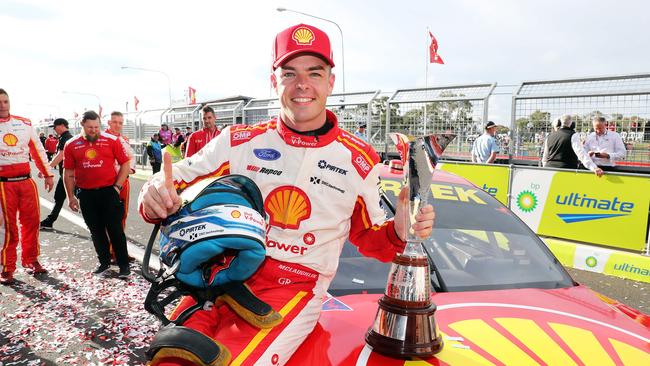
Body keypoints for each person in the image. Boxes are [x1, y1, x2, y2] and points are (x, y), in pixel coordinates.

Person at [138, 23, 435, 365]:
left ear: (330, 82)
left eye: (314, 72)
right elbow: (171, 182)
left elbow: (371, 240)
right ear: (273, 80)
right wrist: (153, 193)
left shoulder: (358, 159)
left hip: (294, 286)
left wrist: (400, 228)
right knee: (172, 358)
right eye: (289, 73)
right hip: (218, 271)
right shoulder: (238, 140)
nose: (302, 84)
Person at [63, 111, 131, 278]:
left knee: (115, 230)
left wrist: (117, 187)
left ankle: (124, 265)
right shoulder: (71, 144)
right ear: (82, 125)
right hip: (86, 194)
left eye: (96, 127)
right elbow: (68, 172)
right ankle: (104, 262)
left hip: (109, 192)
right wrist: (70, 196)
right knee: (96, 231)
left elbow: (126, 163)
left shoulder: (111, 140)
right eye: (90, 127)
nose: (94, 130)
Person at [0, 88, 54, 284]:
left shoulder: (24, 123)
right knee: (8, 228)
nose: (3, 105)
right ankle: (7, 267)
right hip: (3, 185)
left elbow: (38, 150)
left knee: (31, 223)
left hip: (26, 181)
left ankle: (31, 260)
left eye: (5, 101)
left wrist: (48, 174)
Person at [105, 111, 136, 261]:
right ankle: (107, 251)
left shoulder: (124, 139)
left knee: (122, 216)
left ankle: (118, 251)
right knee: (108, 218)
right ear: (108, 123)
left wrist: (129, 169)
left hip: (124, 182)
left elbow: (131, 159)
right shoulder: (102, 138)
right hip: (108, 183)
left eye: (120, 122)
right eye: (114, 122)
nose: (117, 125)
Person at [40, 118, 74, 229]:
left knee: (84, 199)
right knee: (59, 197)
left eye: (54, 127)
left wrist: (46, 168)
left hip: (71, 174)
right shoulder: (65, 137)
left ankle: (98, 223)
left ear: (61, 125)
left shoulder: (66, 137)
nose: (54, 129)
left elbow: (60, 156)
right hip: (66, 174)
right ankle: (50, 221)